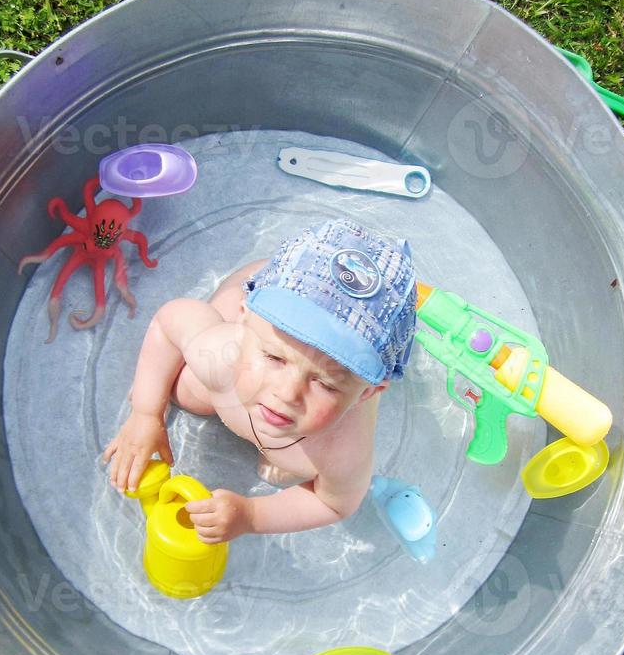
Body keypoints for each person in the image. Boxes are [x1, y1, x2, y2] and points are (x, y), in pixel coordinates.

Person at [103, 218, 417, 543]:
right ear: (243, 319)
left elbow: (335, 502)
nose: (287, 393)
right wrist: (146, 413)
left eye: (326, 383)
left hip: (284, 343)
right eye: (274, 358)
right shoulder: (221, 351)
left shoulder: (343, 451)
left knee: (295, 463)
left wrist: (252, 515)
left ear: (368, 393)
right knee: (185, 391)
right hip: (266, 293)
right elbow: (170, 320)